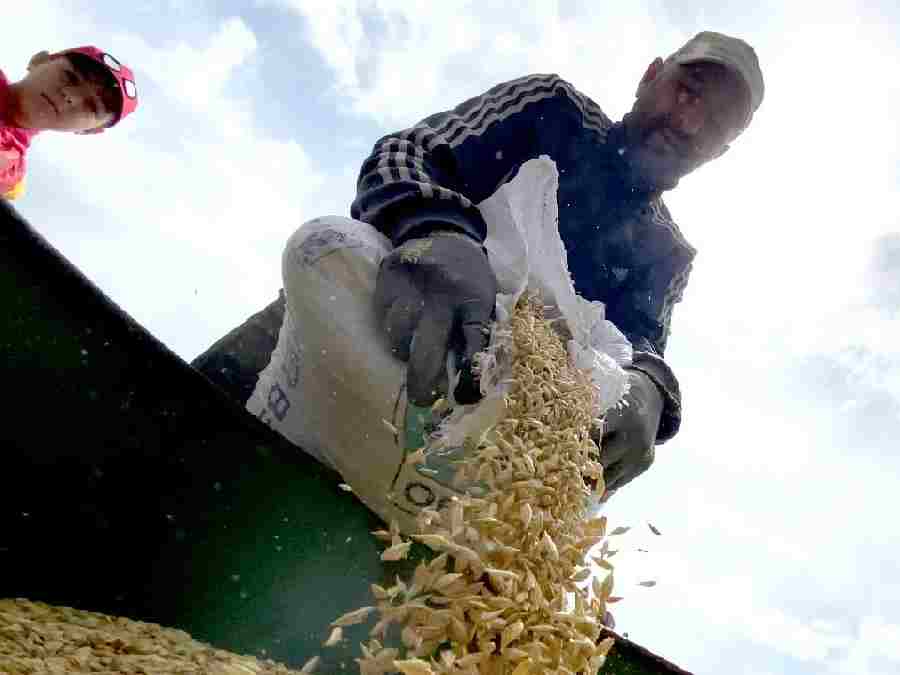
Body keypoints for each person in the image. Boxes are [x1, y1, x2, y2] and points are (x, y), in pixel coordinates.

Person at [194, 30, 764, 499]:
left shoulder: (666, 252)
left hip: (472, 418)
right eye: (688, 92)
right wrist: (439, 232)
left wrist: (652, 391)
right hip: (381, 319)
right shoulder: (552, 113)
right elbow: (407, 153)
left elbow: (643, 343)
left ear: (723, 151)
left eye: (716, 124)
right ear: (651, 76)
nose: (689, 123)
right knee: (197, 432)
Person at [1, 46, 139, 200]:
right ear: (39, 60)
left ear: (90, 131)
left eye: (92, 106)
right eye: (70, 77)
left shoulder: (11, 175)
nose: (71, 96)